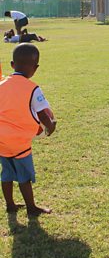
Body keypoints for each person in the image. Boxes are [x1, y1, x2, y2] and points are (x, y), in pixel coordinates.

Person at [0, 43, 56, 216]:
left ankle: (10, 205)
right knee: (24, 176)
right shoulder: (33, 88)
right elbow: (42, 114)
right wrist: (50, 126)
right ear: (35, 68)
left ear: (12, 64)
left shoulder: (1, 85)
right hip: (20, 142)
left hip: (2, 141)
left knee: (6, 173)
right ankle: (31, 208)